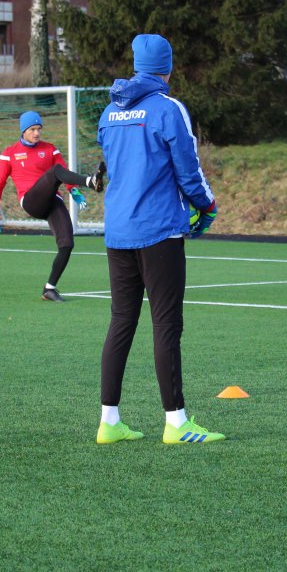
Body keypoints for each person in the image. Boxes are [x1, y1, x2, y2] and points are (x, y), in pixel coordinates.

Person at [95, 33, 223, 446]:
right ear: (167, 67)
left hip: (118, 232)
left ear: (137, 64)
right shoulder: (169, 108)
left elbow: (113, 164)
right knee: (166, 324)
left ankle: (109, 422)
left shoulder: (109, 111)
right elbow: (189, 168)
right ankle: (176, 422)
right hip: (159, 231)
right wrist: (206, 206)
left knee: (121, 322)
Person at [0, 111, 106, 302]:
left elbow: (64, 172)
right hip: (31, 201)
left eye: (39, 129)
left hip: (52, 200)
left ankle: (49, 288)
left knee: (67, 244)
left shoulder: (50, 149)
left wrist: (73, 190)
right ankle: (90, 181)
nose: (37, 133)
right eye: (32, 129)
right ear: (23, 131)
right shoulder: (9, 153)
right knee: (54, 171)